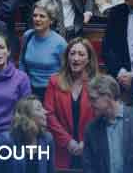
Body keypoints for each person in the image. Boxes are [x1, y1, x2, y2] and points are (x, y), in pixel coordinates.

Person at [82, 74, 133, 172]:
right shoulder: (91, 129)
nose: (90, 104)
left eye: (93, 99)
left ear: (108, 95)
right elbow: (89, 167)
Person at [44, 37, 98, 169]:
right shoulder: (54, 81)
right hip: (62, 148)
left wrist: (85, 142)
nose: (76, 58)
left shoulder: (97, 83)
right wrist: (68, 142)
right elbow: (49, 115)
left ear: (89, 59)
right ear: (67, 57)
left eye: (81, 54)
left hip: (90, 147)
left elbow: (101, 117)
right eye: (72, 53)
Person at [0, 96, 55, 173]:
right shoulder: (5, 140)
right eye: (39, 109)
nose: (45, 112)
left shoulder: (47, 139)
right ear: (26, 116)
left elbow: (50, 170)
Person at [18, 0, 68, 101]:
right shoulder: (27, 36)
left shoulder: (60, 43)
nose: (37, 19)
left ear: (51, 20)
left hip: (51, 92)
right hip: (29, 91)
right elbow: (21, 62)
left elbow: (66, 71)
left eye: (42, 16)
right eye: (35, 15)